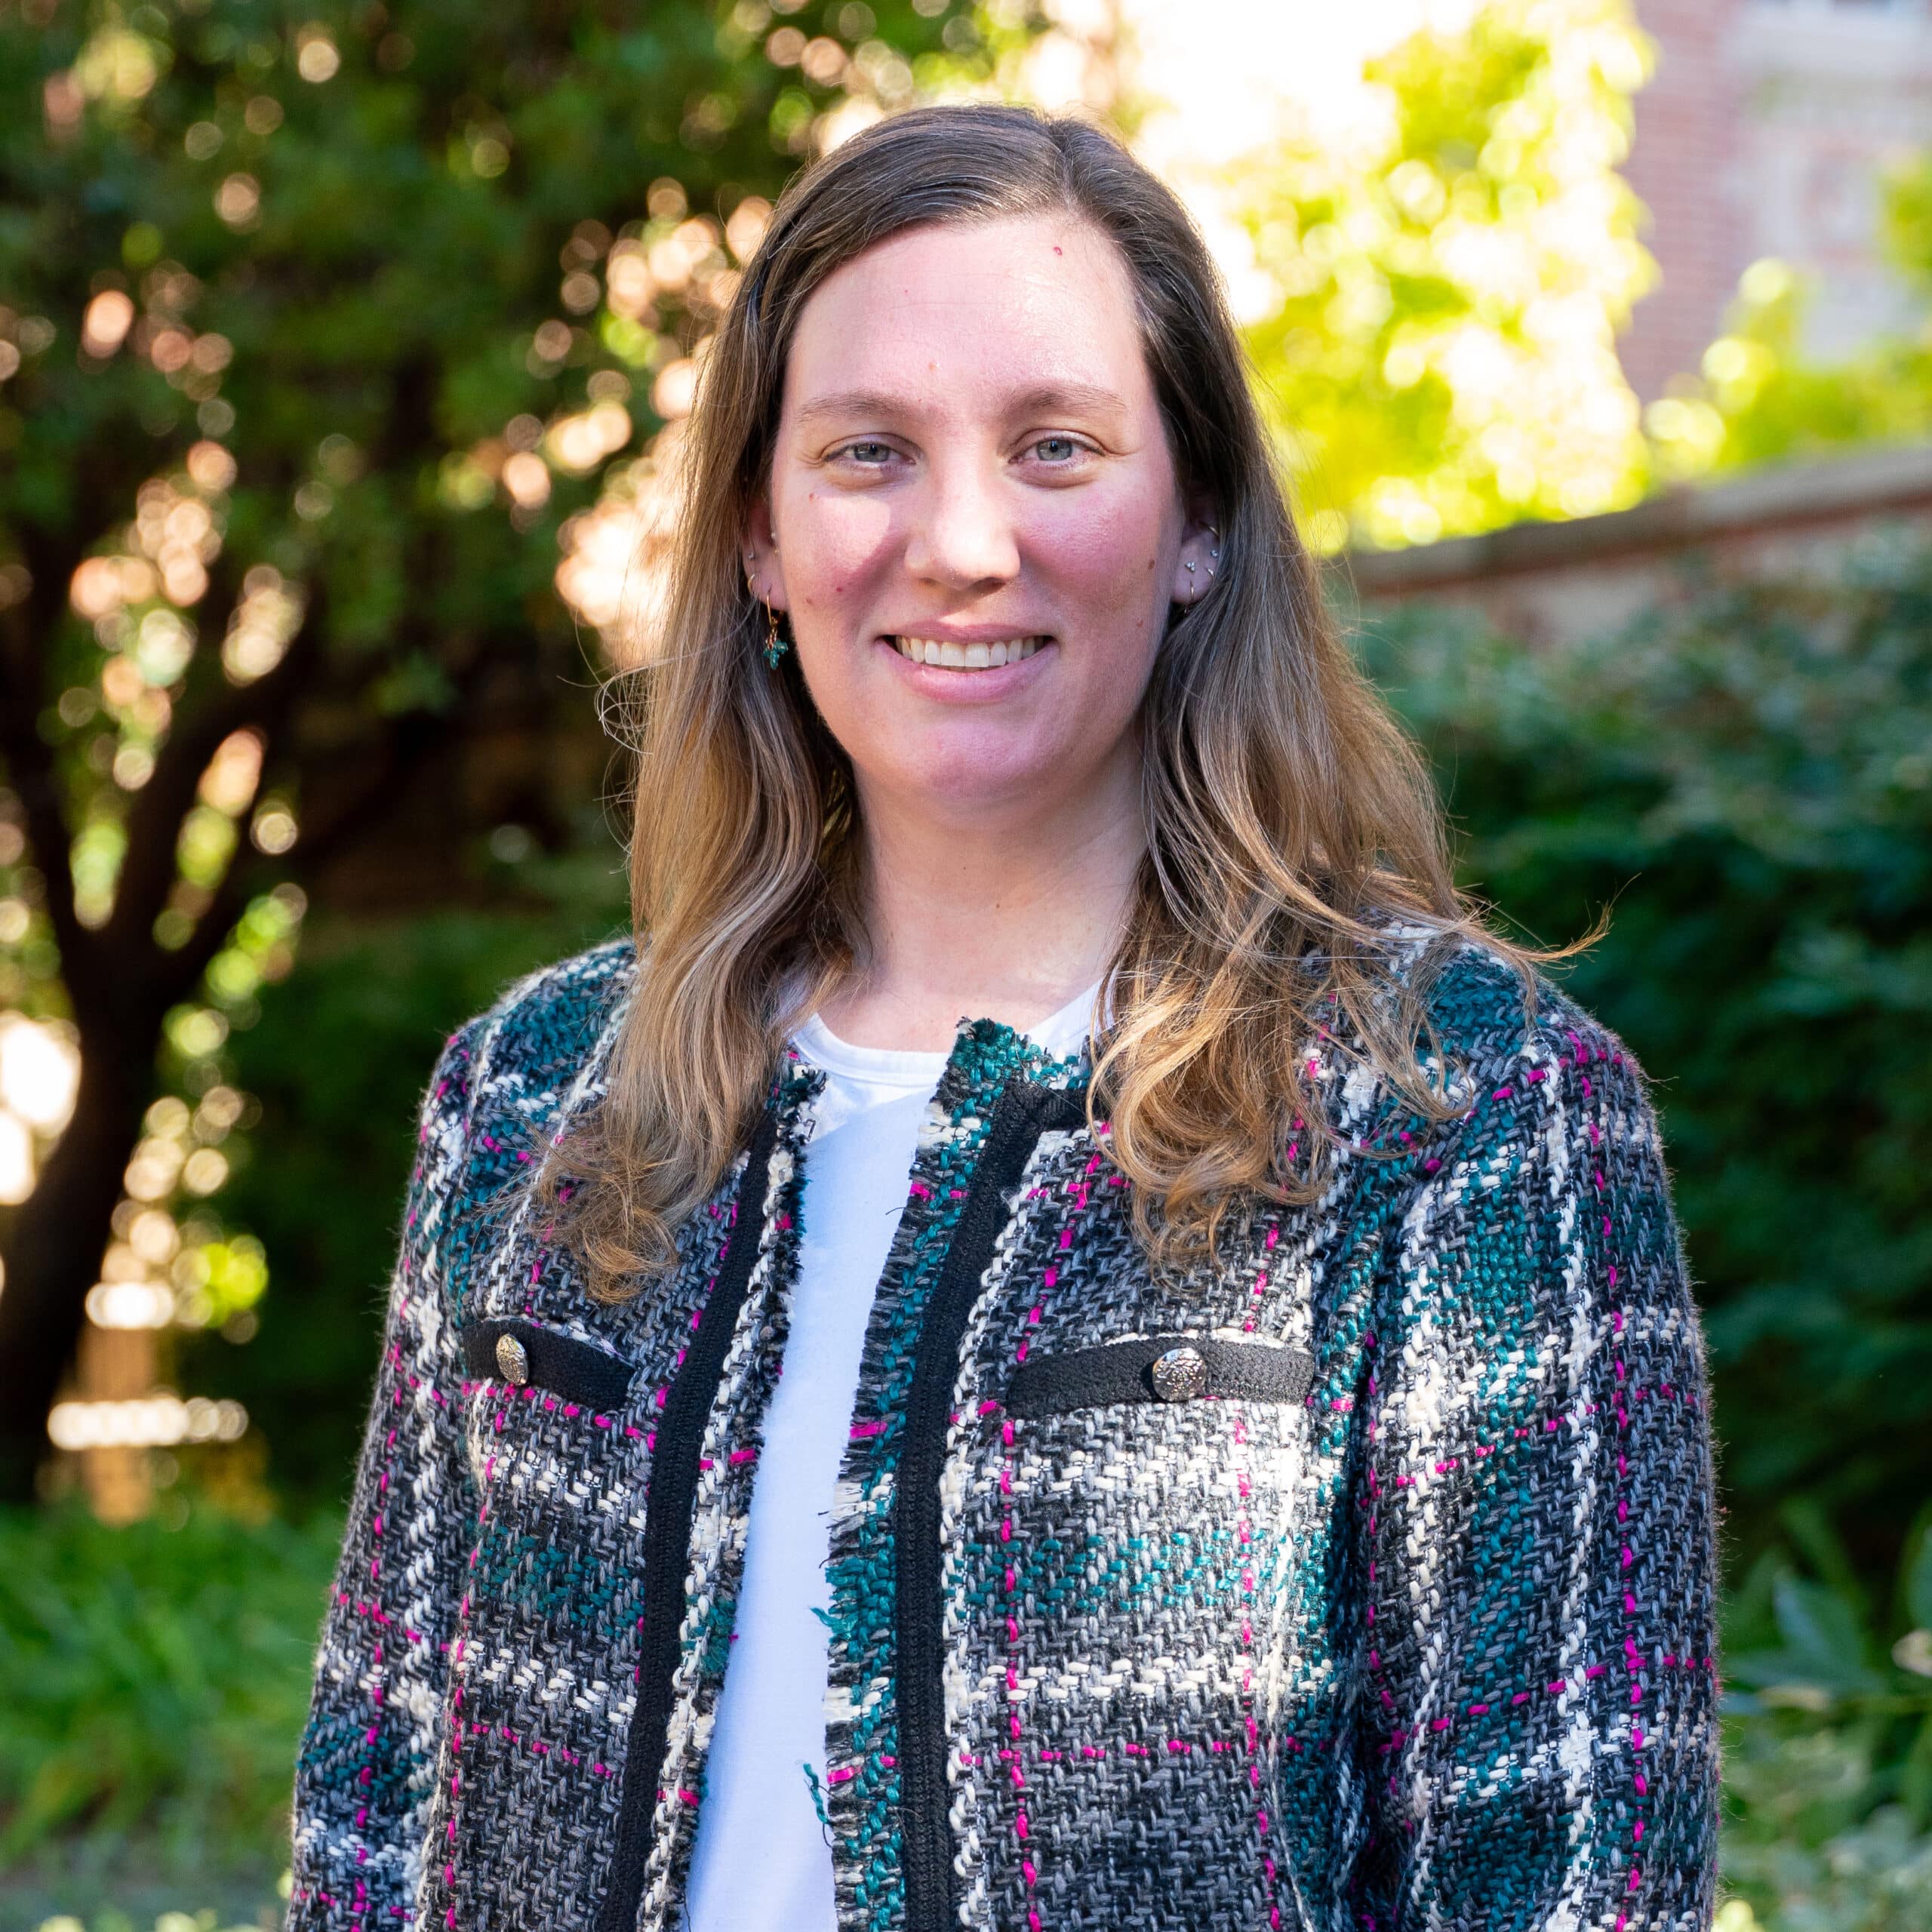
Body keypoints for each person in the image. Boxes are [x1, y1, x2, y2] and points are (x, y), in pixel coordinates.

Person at [288, 104, 1719, 1932]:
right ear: (757, 534)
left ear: (1194, 518)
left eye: (1056, 446)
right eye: (867, 451)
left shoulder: (1459, 1112)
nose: (963, 541)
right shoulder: (535, 1097)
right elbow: (372, 1842)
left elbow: (1568, 1877)